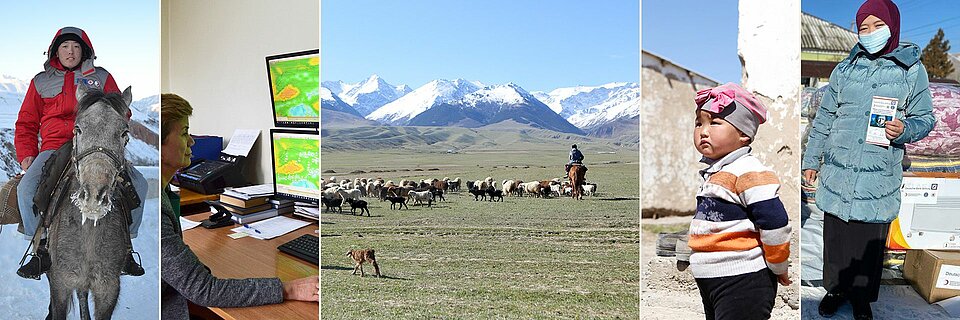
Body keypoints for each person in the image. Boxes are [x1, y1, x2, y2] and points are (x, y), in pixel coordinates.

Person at [802, 1, 935, 319]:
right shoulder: (844, 69)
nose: (870, 33)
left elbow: (925, 118)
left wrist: (904, 129)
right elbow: (824, 119)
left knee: (867, 243)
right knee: (836, 239)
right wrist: (811, 159)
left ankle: (861, 298)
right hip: (838, 171)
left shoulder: (910, 70)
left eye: (878, 25)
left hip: (877, 175)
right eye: (863, 27)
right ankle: (835, 289)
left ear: (892, 26)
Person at [160, 93, 318, 319]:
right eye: (185, 133)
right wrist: (290, 289)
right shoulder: (153, 209)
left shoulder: (160, 190)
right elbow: (204, 290)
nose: (192, 141)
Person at [14, 26, 147, 279]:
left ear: (84, 50)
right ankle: (39, 250)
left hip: (97, 142)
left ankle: (127, 247)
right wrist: (26, 154)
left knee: (138, 184)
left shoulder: (101, 77)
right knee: (26, 189)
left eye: (76, 47)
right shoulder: (40, 81)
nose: (70, 52)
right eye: (65, 47)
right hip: (55, 145)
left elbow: (121, 110)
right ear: (55, 51)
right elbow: (26, 122)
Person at [688, 83, 792, 319]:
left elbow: (775, 222)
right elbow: (709, 222)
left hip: (744, 280)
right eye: (699, 123)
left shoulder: (749, 171)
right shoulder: (714, 173)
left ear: (744, 134)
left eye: (715, 123)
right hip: (712, 279)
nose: (704, 131)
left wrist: (778, 265)